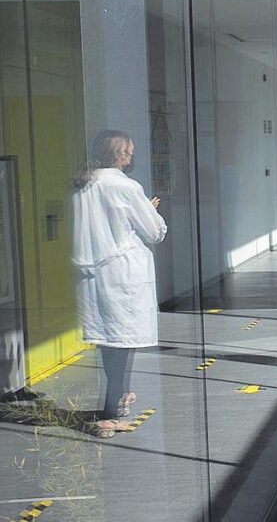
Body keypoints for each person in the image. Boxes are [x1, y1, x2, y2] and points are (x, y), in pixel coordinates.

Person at [70, 130, 166, 438]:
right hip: (123, 274)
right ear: (119, 154)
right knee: (122, 342)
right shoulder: (125, 186)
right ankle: (109, 415)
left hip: (93, 276)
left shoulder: (80, 184)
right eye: (129, 152)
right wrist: (150, 211)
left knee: (110, 342)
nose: (131, 157)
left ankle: (121, 394)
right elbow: (154, 231)